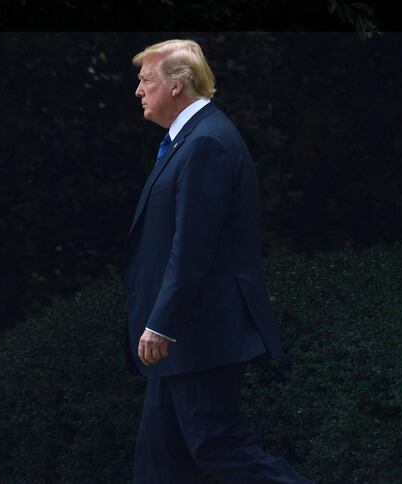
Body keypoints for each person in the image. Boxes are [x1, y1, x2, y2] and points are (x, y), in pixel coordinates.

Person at [123, 39, 313, 483]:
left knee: (217, 445)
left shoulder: (206, 141)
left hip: (198, 332)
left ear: (177, 84)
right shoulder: (190, 139)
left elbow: (193, 246)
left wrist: (162, 323)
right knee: (159, 462)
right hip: (185, 335)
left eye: (145, 80)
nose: (138, 90)